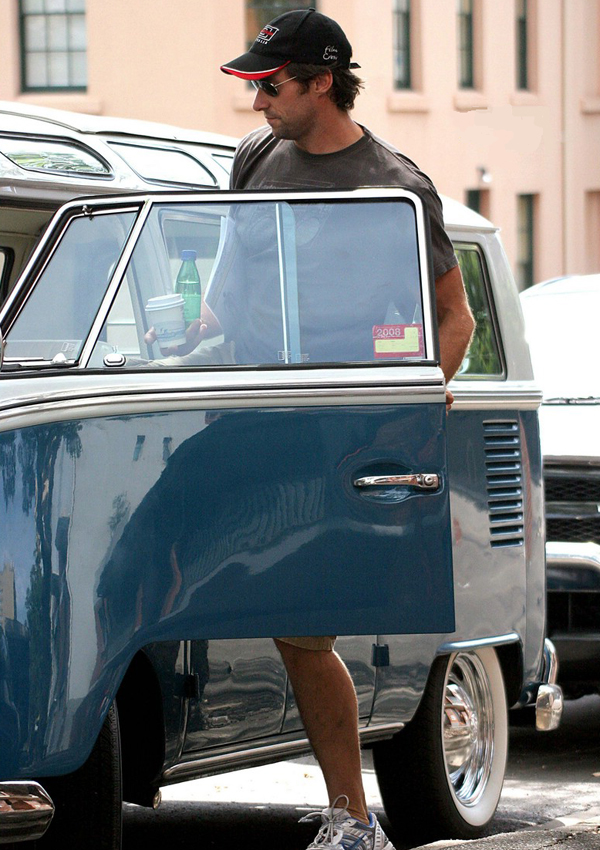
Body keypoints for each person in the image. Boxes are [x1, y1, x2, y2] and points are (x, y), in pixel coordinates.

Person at [160, 8, 475, 850]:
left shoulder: (394, 185)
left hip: (340, 434)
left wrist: (419, 400)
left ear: (323, 82)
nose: (256, 102)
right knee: (182, 584)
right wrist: (183, 336)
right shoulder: (255, 158)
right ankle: (351, 816)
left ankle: (356, 821)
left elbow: (454, 318)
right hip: (252, 417)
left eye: (270, 86)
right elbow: (231, 288)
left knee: (303, 628)